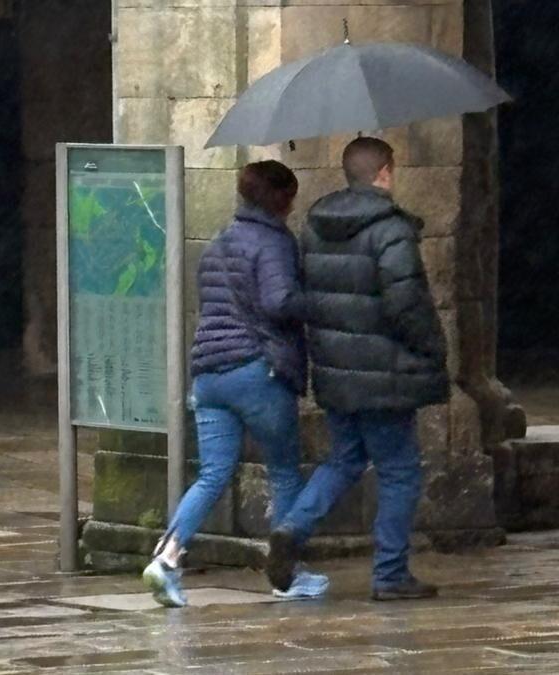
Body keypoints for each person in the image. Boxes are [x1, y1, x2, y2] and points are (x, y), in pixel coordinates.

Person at [266, 137, 448, 602]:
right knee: (400, 470)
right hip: (384, 372)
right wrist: (432, 348)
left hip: (335, 371)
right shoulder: (391, 229)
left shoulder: (316, 226)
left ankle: (292, 526)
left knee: (345, 458)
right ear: (384, 172)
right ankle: (389, 574)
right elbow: (406, 302)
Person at [142, 161, 329, 607]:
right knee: (283, 471)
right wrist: (322, 303)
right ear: (282, 199)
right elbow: (278, 300)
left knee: (212, 473)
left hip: (209, 375)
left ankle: (166, 559)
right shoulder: (275, 242)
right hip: (256, 371)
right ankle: (286, 575)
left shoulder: (219, 243)